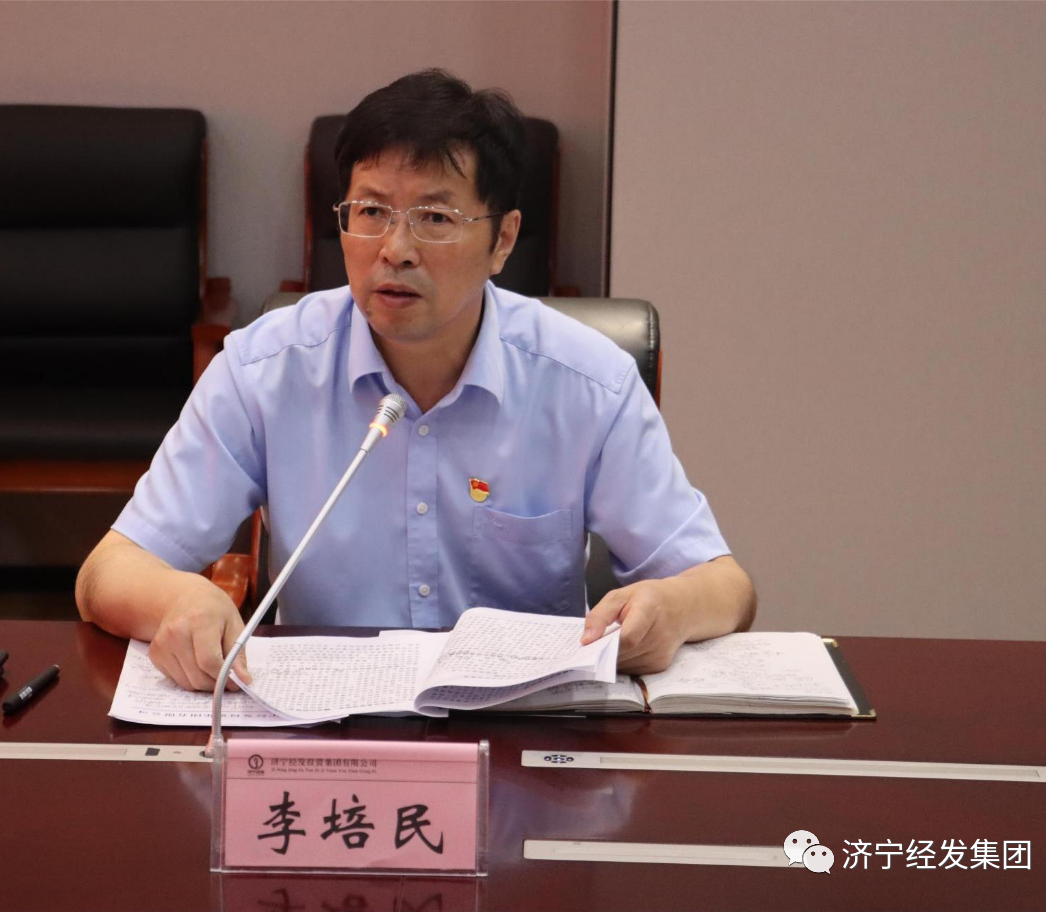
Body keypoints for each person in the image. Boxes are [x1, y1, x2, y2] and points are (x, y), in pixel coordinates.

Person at [76, 69, 756, 692]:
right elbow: (107, 572)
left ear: (503, 239)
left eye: (435, 219)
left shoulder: (587, 383)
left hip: (524, 733)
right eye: (371, 212)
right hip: (327, 731)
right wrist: (181, 598)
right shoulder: (264, 370)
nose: (395, 250)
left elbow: (726, 586)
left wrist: (672, 606)